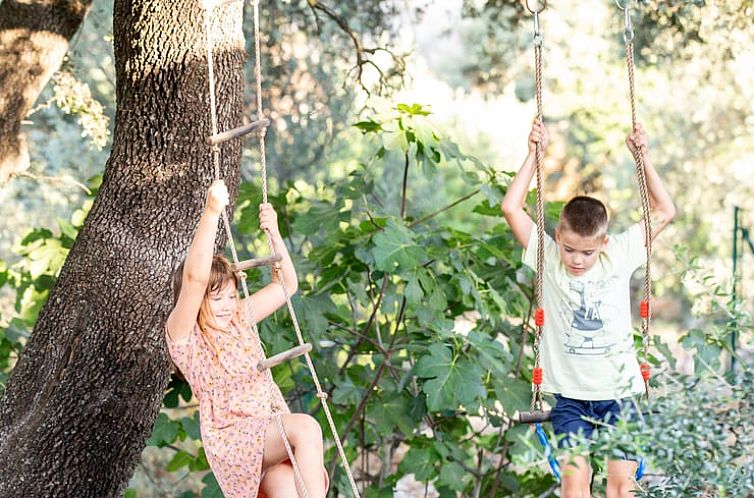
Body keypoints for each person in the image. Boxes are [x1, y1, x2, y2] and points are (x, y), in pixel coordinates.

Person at [501, 120, 675, 498]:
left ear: (604, 243)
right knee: (574, 487)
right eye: (570, 249)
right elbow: (511, 207)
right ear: (558, 237)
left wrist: (642, 157)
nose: (577, 259)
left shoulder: (620, 254)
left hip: (621, 393)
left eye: (588, 252)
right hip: (571, 396)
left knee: (620, 488)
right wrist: (534, 155)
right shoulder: (547, 257)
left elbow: (664, 210)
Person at [166, 180, 328, 498]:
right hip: (235, 440)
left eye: (230, 296)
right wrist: (212, 212)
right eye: (217, 299)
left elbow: (287, 286)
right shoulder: (186, 337)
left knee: (288, 489)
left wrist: (274, 232)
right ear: (198, 302)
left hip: (269, 431)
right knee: (307, 427)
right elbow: (194, 278)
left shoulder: (239, 318)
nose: (227, 306)